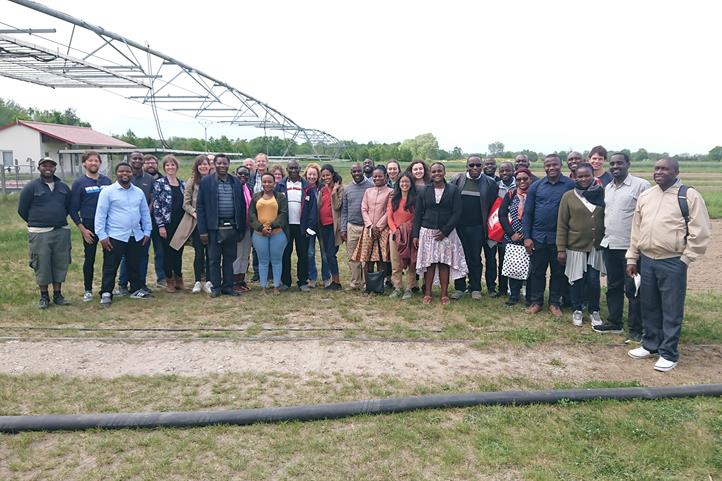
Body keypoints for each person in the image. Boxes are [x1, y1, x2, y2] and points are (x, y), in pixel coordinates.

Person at [626, 157, 711, 372]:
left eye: (664, 169)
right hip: (647, 260)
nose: (659, 172)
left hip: (673, 261)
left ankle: (669, 353)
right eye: (656, 169)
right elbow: (636, 230)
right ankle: (650, 344)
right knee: (649, 304)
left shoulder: (688, 195)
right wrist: (632, 257)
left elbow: (700, 231)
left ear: (676, 171)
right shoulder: (646, 196)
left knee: (671, 309)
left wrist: (685, 259)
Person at [594, 152, 650, 338]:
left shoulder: (641, 185)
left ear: (628, 164)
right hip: (610, 245)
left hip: (630, 248)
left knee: (633, 289)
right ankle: (615, 322)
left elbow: (647, 217)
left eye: (620, 163)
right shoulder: (608, 187)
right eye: (613, 164)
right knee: (613, 286)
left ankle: (636, 329)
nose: (615, 166)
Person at [523, 154, 575, 317]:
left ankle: (554, 303)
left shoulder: (570, 185)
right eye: (548, 165)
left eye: (555, 165)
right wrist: (527, 237)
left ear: (561, 166)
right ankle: (537, 302)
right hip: (538, 237)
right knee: (537, 271)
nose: (551, 168)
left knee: (558, 273)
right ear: (544, 167)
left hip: (560, 239)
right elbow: (528, 213)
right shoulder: (536, 186)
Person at [94, 162, 152, 307]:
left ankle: (135, 289)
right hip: (115, 235)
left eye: (128, 171)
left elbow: (145, 213)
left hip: (135, 235)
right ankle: (106, 292)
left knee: (134, 264)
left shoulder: (138, 192)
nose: (125, 174)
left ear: (132, 173)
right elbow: (100, 215)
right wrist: (102, 235)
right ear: (116, 174)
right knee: (110, 265)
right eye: (121, 172)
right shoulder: (108, 191)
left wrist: (147, 231)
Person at [17, 156, 72, 309]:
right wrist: (37, 221)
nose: (48, 168)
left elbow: (68, 207)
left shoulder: (63, 187)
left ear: (55, 168)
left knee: (60, 262)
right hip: (40, 232)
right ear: (39, 168)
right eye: (44, 165)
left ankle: (58, 295)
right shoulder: (31, 187)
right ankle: (44, 297)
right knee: (41, 264)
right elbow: (22, 209)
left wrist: (57, 218)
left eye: (51, 165)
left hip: (61, 231)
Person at [556, 163, 606, 327]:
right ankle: (577, 309)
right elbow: (562, 224)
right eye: (580, 176)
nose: (583, 179)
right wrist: (561, 249)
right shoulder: (569, 196)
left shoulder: (602, 194)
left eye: (587, 175)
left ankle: (594, 310)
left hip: (595, 246)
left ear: (593, 175)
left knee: (593, 280)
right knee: (576, 279)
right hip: (575, 245)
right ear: (575, 177)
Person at [413, 162, 467, 305]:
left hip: (447, 232)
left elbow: (457, 212)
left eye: (439, 171)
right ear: (430, 173)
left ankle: (444, 294)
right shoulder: (424, 191)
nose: (437, 174)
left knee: (444, 263)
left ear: (444, 172)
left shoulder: (453, 190)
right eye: (434, 171)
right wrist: (415, 235)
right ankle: (428, 293)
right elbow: (418, 214)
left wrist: (445, 231)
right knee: (429, 264)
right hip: (427, 231)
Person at [196, 154, 247, 297]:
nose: (222, 166)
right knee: (213, 259)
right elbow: (200, 207)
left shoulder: (235, 181)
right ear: (215, 164)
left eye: (225, 163)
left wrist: (241, 228)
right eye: (219, 163)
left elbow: (242, 206)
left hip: (232, 227)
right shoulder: (206, 182)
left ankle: (228, 287)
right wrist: (203, 231)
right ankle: (216, 287)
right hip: (213, 228)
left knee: (229, 258)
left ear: (228, 165)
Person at [449, 155, 499, 300]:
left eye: (478, 165)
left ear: (482, 166)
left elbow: (494, 207)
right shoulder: (457, 180)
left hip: (478, 227)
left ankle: (475, 287)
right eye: (472, 165)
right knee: (459, 257)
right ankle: (460, 287)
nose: (475, 168)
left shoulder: (489, 183)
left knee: (475, 258)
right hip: (459, 227)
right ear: (467, 166)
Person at [69, 150, 112, 301]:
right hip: (89, 226)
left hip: (107, 226)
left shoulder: (107, 181)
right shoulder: (79, 183)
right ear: (84, 164)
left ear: (100, 163)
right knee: (90, 258)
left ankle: (107, 289)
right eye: (90, 160)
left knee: (110, 258)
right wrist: (83, 230)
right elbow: (73, 209)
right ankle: (88, 289)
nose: (94, 163)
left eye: (96, 160)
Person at [116, 151, 157, 296]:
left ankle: (141, 284)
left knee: (143, 254)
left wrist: (146, 213)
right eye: (135, 158)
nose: (137, 161)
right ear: (130, 160)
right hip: (126, 225)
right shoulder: (124, 176)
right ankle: (122, 284)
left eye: (140, 159)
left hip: (144, 223)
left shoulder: (150, 179)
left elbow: (152, 199)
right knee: (125, 255)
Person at [275, 159, 317, 291]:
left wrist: (310, 227)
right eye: (291, 168)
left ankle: (302, 281)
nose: (293, 170)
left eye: (296, 168)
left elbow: (312, 209)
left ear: (300, 169)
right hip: (286, 227)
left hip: (302, 226)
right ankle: (286, 282)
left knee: (303, 255)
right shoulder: (280, 185)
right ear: (287, 170)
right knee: (285, 254)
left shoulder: (307, 186)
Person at [352, 166, 393, 290]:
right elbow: (364, 209)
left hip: (383, 230)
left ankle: (379, 285)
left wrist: (378, 227)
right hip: (368, 229)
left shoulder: (390, 192)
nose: (377, 178)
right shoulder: (368, 191)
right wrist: (370, 225)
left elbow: (388, 211)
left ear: (385, 176)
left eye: (380, 176)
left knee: (381, 259)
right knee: (367, 259)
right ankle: (368, 285)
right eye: (375, 176)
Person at [177, 155, 212, 294]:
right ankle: (198, 280)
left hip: (212, 222)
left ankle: (209, 281)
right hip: (197, 223)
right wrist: (195, 212)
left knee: (211, 253)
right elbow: (185, 204)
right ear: (197, 167)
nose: (203, 167)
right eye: (200, 164)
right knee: (199, 253)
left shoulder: (213, 180)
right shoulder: (192, 181)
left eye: (206, 164)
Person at [248, 173, 289, 294]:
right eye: (264, 182)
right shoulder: (255, 197)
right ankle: (263, 287)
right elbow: (251, 215)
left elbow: (283, 214)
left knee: (277, 260)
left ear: (274, 183)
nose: (267, 184)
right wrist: (261, 228)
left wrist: (271, 226)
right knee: (263, 261)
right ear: (261, 183)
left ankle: (276, 286)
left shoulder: (280, 197)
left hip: (277, 233)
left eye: (269, 182)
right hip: (259, 234)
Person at [499, 167, 533, 306]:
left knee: (531, 269)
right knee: (514, 267)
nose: (522, 181)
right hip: (512, 238)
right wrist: (511, 233)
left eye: (525, 179)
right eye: (518, 179)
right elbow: (502, 215)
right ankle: (514, 296)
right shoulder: (511, 194)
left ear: (530, 179)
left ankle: (531, 298)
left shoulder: (535, 194)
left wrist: (528, 236)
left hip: (530, 238)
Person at [152, 155, 186, 293]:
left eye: (172, 165)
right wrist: (160, 226)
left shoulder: (183, 184)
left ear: (176, 167)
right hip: (166, 224)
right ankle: (169, 280)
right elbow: (157, 206)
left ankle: (179, 278)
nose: (170, 167)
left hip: (181, 223)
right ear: (164, 167)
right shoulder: (159, 183)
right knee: (167, 253)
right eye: (167, 165)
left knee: (178, 252)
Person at [340, 163, 372, 290]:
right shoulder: (347, 189)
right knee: (353, 257)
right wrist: (343, 229)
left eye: (359, 171)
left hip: (366, 227)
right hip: (351, 226)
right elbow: (344, 210)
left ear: (363, 171)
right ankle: (355, 282)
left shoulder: (370, 186)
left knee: (365, 257)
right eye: (354, 171)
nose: (357, 173)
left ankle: (366, 283)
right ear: (351, 173)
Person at [387, 172, 417, 299]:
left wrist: (407, 229)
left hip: (410, 234)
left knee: (411, 262)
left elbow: (416, 217)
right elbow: (389, 217)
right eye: (402, 182)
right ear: (398, 184)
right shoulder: (393, 198)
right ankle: (397, 287)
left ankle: (410, 288)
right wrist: (395, 231)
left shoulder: (415, 199)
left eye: (407, 182)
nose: (404, 184)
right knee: (395, 262)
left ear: (411, 183)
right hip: (395, 235)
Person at [318, 164, 344, 290]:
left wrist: (334, 192)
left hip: (333, 226)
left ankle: (337, 281)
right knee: (328, 254)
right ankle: (334, 280)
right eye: (323, 176)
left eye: (327, 175)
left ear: (332, 174)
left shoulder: (339, 189)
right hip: (323, 226)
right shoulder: (322, 190)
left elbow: (338, 206)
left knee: (331, 253)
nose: (325, 177)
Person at [304, 162, 330, 288]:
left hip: (322, 224)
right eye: (310, 174)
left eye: (314, 174)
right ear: (306, 174)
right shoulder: (304, 188)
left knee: (325, 253)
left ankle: (326, 277)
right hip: (310, 225)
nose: (312, 177)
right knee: (310, 252)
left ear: (318, 175)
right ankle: (312, 278)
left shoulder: (323, 188)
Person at [143, 153, 166, 288]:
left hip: (159, 222)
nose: (150, 165)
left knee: (160, 251)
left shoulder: (163, 180)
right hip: (142, 221)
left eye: (153, 163)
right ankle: (140, 280)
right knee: (141, 252)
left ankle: (162, 278)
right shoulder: (136, 179)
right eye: (148, 163)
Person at [232, 165, 254, 292]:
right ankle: (234, 281)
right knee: (237, 255)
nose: (243, 176)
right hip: (237, 227)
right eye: (240, 174)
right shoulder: (234, 188)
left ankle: (241, 279)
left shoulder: (248, 189)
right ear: (236, 173)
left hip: (248, 227)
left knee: (245, 254)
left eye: (246, 175)